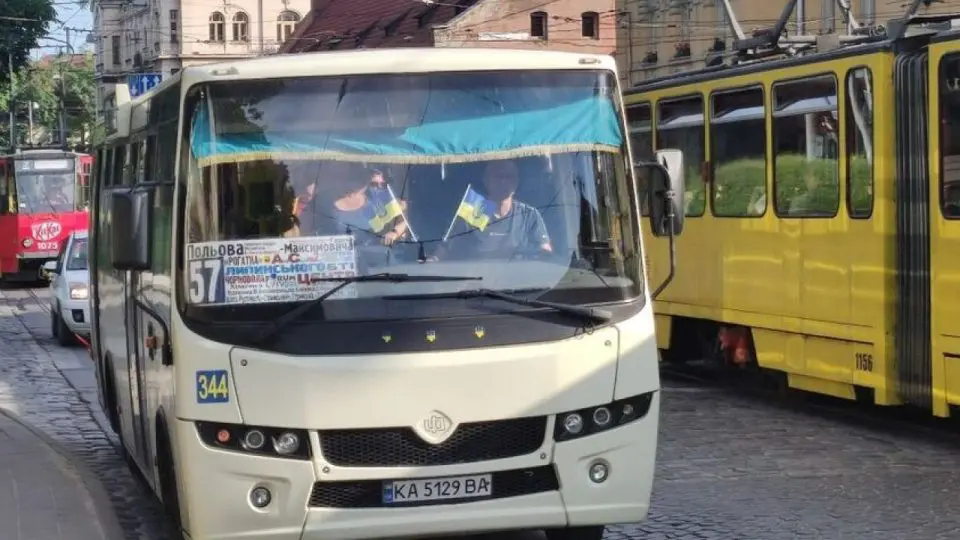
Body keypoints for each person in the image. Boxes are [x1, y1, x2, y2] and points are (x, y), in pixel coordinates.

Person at [436, 159, 552, 260]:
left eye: (509, 177)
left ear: (516, 182)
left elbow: (546, 256)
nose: (503, 181)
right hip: (476, 277)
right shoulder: (473, 211)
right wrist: (432, 262)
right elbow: (442, 253)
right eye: (498, 176)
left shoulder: (528, 215)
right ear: (486, 180)